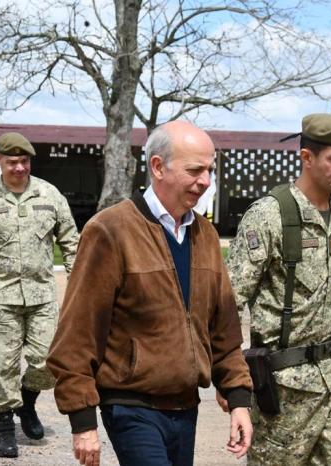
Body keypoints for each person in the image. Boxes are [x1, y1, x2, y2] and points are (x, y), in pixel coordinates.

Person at [46, 120, 253, 466]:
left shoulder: (206, 236)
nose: (205, 181)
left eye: (209, 170)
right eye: (194, 170)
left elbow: (224, 330)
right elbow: (77, 333)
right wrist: (82, 421)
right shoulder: (109, 231)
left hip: (186, 406)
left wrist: (238, 399)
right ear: (158, 167)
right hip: (130, 406)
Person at [222, 113, 331, 465]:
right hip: (284, 391)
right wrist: (231, 380)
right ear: (307, 158)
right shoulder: (269, 216)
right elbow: (227, 304)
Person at [0, 132, 79, 458]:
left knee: (49, 360)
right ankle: (5, 426)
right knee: (3, 364)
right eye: (12, 162)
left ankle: (27, 403)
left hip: (41, 298)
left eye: (24, 161)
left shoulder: (50, 195)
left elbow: (72, 244)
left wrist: (82, 283)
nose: (19, 167)